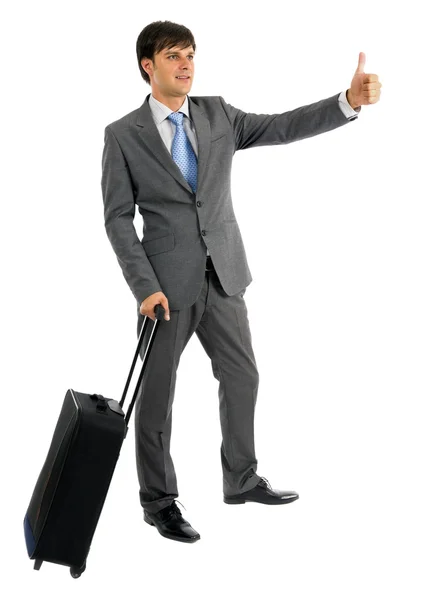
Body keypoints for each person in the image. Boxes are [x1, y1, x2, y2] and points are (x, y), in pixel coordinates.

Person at [101, 20, 382, 544]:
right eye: (173, 56)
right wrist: (144, 288)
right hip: (165, 288)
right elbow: (117, 218)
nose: (186, 64)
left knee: (243, 376)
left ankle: (242, 478)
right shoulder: (122, 135)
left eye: (190, 55)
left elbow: (281, 125)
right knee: (158, 398)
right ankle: (158, 503)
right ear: (148, 66)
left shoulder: (218, 114)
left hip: (224, 274)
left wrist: (345, 101)